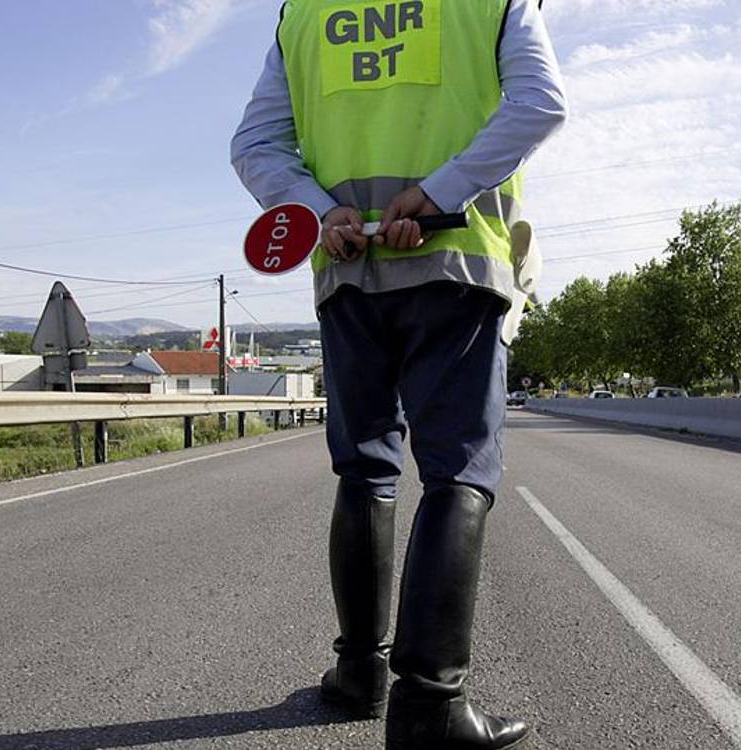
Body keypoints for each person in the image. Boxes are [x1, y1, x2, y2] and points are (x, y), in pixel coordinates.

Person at [231, 1, 566, 748]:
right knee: (457, 474)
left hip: (347, 273)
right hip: (454, 263)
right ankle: (430, 705)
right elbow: (539, 104)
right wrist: (442, 191)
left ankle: (358, 676)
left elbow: (255, 143)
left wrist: (321, 212)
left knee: (364, 472)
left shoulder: (305, 14)